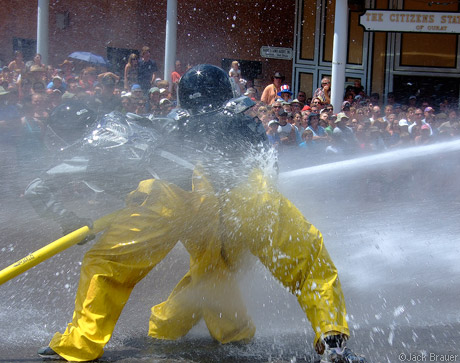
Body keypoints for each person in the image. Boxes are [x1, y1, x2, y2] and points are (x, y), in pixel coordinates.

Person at [29, 64, 366, 363]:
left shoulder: (173, 123)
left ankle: (85, 344)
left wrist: (69, 220)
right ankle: (332, 341)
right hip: (256, 199)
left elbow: (40, 188)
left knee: (117, 266)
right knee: (307, 264)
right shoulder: (244, 115)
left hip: (185, 201)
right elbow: (267, 163)